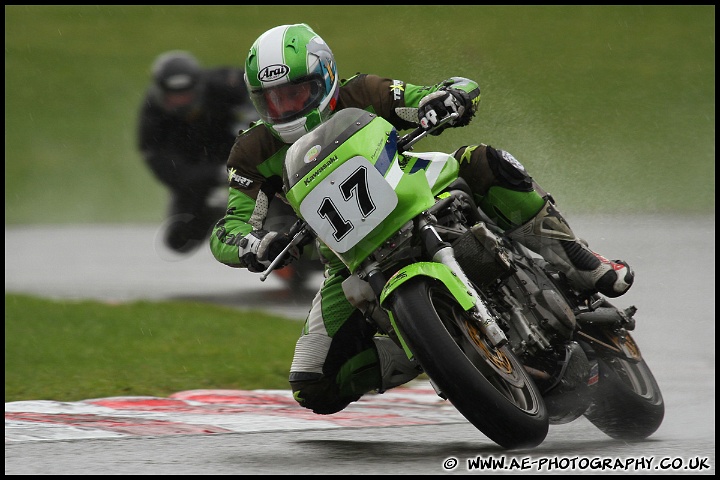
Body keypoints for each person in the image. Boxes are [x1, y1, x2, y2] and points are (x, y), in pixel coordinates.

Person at [210, 24, 635, 415]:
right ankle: (430, 350)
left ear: (325, 77)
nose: (285, 107)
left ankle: (579, 260)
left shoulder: (365, 91)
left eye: (296, 93)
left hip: (416, 189)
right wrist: (250, 244)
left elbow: (440, 92)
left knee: (483, 160)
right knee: (313, 384)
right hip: (348, 255)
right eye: (272, 100)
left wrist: (446, 99)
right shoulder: (251, 151)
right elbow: (231, 225)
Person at [138, 50, 258, 254]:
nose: (182, 101)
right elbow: (173, 174)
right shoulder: (152, 121)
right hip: (200, 173)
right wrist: (218, 174)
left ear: (199, 86)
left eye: (187, 94)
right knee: (178, 239)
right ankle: (218, 212)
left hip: (241, 151)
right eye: (174, 96)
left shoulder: (225, 82)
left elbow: (258, 90)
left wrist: (252, 117)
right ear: (160, 92)